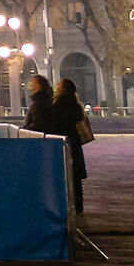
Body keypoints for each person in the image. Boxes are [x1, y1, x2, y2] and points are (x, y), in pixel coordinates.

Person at [52, 75, 92, 214]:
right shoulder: (75, 103)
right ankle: (78, 206)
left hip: (64, 142)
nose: (56, 86)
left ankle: (68, 206)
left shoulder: (60, 103)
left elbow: (56, 121)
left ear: (63, 89)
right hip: (74, 142)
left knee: (66, 175)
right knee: (75, 177)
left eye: (59, 85)